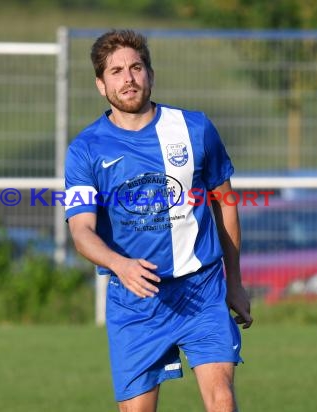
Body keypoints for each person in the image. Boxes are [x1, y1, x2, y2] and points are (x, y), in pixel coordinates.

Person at [64, 29, 252, 412]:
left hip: (201, 290)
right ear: (101, 85)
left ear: (150, 73)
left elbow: (226, 203)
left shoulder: (195, 129)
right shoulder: (85, 149)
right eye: (116, 71)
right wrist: (121, 265)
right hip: (136, 300)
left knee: (222, 400)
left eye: (136, 67)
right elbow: (81, 232)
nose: (128, 78)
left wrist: (234, 281)